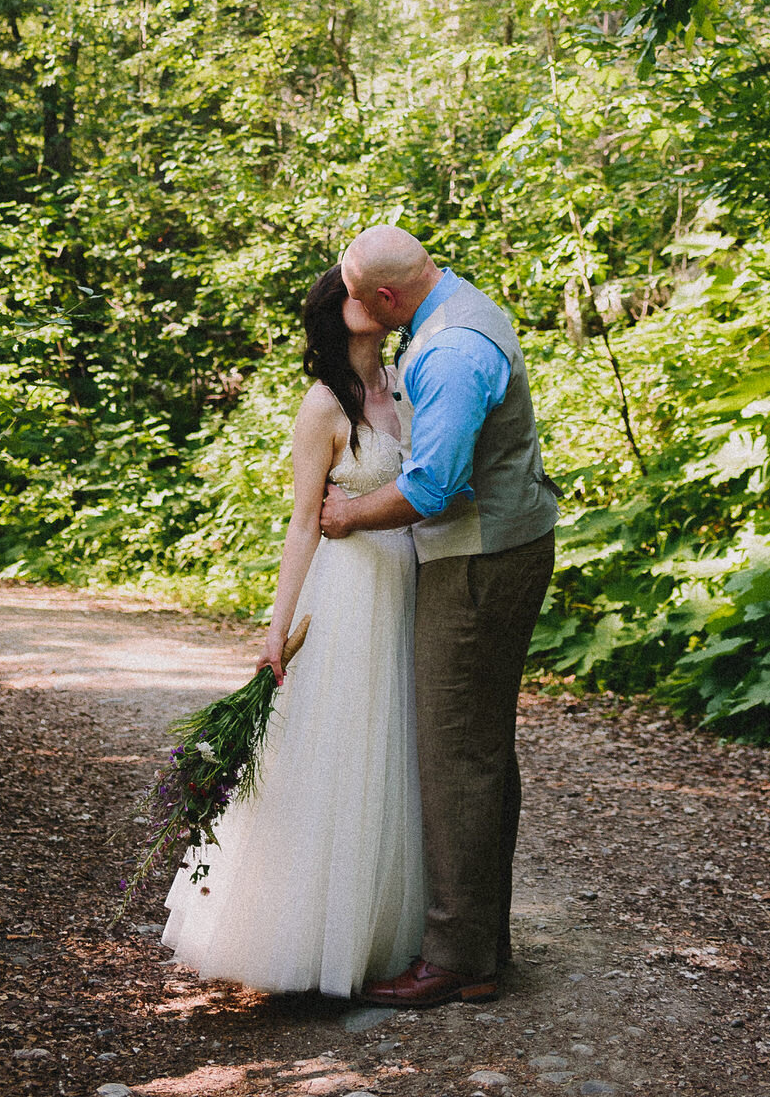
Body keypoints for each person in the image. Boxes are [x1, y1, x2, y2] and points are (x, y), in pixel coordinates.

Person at [161, 264, 425, 995]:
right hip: (347, 593)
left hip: (408, 584)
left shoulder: (405, 381)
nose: (367, 298)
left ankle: (385, 936)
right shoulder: (321, 406)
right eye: (349, 294)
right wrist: (276, 630)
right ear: (332, 317)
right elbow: (303, 521)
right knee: (337, 750)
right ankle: (309, 942)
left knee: (394, 749)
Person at [321, 223, 558, 1010]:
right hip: (502, 547)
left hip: (480, 560)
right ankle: (482, 941)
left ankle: (457, 957)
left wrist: (349, 516)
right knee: (480, 747)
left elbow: (435, 489)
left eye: (356, 295)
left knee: (455, 750)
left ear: (387, 297)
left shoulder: (450, 353)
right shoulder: (460, 305)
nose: (348, 305)